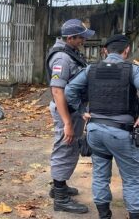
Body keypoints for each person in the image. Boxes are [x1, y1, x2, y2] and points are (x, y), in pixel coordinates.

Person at [65, 34, 139, 219]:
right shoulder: (132, 70)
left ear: (105, 51)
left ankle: (104, 216)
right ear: (127, 50)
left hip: (95, 131)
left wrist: (82, 110)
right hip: (122, 133)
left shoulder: (91, 69)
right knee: (132, 179)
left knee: (100, 175)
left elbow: (69, 90)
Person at [45, 18, 95, 214]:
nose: (83, 40)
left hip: (73, 109)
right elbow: (57, 91)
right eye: (81, 37)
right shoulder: (62, 58)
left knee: (69, 147)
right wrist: (66, 122)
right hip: (66, 111)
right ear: (71, 37)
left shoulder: (71, 53)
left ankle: (60, 186)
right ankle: (60, 199)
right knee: (65, 147)